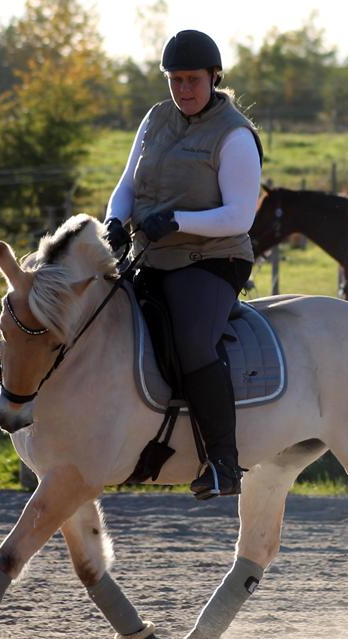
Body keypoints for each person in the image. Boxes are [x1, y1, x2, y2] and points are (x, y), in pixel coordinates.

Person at [102, 29, 263, 500]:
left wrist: (175, 221)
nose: (183, 90)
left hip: (214, 259)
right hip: (153, 252)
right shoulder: (155, 119)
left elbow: (240, 214)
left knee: (193, 341)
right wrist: (115, 219)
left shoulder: (234, 135)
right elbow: (126, 183)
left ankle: (223, 464)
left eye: (192, 79)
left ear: (214, 78)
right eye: (174, 80)